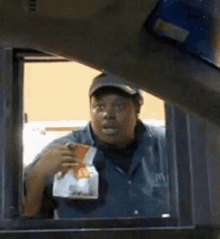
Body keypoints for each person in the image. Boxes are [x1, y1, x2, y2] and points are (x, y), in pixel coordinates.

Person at [24, 73, 169, 219]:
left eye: (118, 106)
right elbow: (25, 217)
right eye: (100, 106)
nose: (108, 114)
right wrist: (38, 174)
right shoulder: (64, 150)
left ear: (137, 108)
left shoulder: (166, 145)